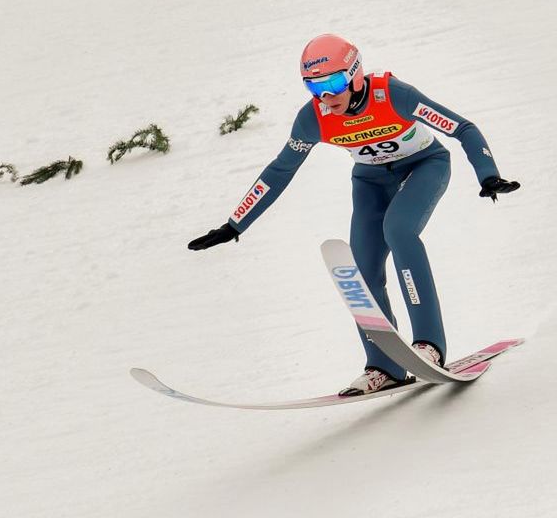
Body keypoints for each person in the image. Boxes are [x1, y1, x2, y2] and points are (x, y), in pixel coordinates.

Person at [188, 34, 520, 396]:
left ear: (356, 74)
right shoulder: (313, 118)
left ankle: (429, 345)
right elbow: (280, 171)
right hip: (370, 181)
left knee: (399, 229)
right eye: (314, 87)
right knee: (361, 266)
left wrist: (488, 175)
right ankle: (384, 365)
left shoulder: (394, 95)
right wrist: (235, 224)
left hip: (424, 166)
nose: (326, 97)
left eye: (332, 83)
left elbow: (463, 128)